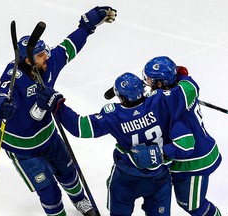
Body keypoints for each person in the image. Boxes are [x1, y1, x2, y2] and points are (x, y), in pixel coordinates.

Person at [0, 6, 117, 216]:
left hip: (49, 137)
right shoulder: (14, 78)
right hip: (23, 150)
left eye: (45, 51)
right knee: (49, 193)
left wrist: (87, 25)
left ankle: (80, 201)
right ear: (29, 61)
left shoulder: (47, 64)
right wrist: (1, 107)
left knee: (69, 174)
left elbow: (68, 47)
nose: (47, 56)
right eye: (41, 55)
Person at [36, 72, 199, 216]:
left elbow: (79, 127)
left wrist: (58, 105)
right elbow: (189, 89)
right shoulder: (161, 101)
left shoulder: (114, 115)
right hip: (159, 177)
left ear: (121, 97)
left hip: (125, 179)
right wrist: (178, 75)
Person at [143, 56, 222, 216]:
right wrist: (178, 73)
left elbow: (185, 145)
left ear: (160, 83)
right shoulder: (185, 86)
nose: (147, 82)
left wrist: (160, 154)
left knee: (193, 206)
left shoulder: (170, 109)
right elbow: (183, 81)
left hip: (194, 161)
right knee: (185, 202)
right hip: (193, 153)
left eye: (151, 79)